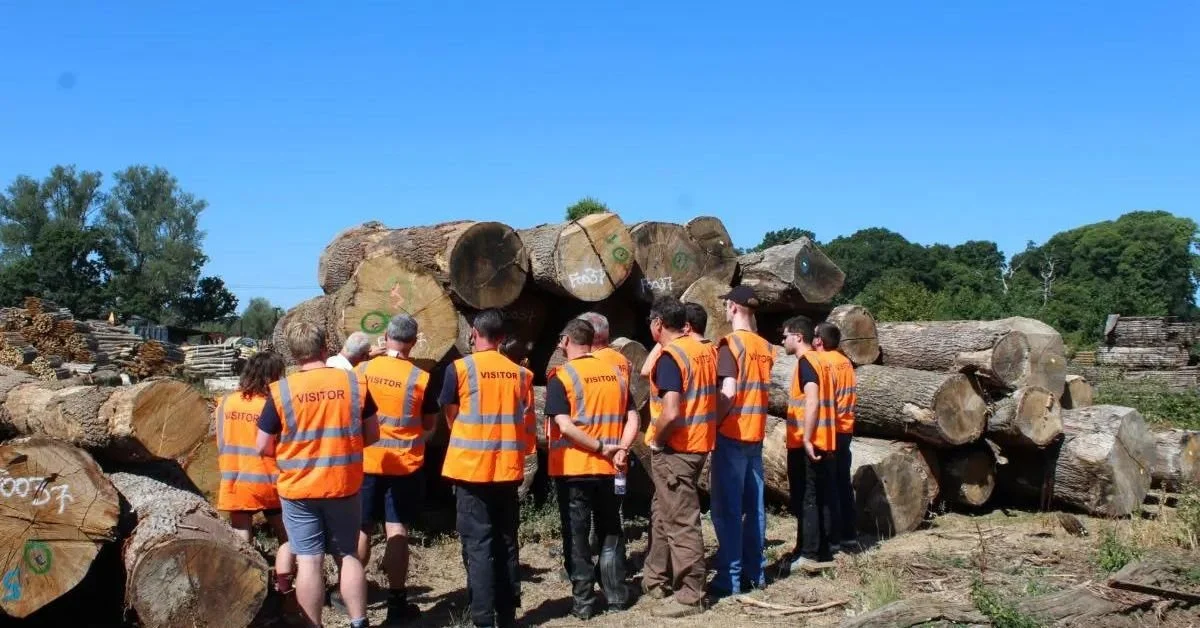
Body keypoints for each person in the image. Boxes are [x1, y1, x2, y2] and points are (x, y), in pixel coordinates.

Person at [255, 322, 379, 628]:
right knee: (347, 555)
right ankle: (359, 621)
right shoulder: (354, 383)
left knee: (309, 560)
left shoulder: (282, 391)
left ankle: (313, 624)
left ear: (294, 354)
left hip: (298, 489)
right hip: (343, 484)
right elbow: (373, 434)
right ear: (325, 348)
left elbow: (262, 445)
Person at [439, 309, 537, 628]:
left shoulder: (459, 369)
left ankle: (482, 618)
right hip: (507, 471)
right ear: (502, 339)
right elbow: (526, 421)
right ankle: (507, 614)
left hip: (471, 472)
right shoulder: (521, 375)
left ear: (474, 334)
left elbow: (451, 415)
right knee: (506, 541)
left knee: (478, 545)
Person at [545, 319, 640, 619]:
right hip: (611, 468)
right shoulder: (615, 375)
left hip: (575, 468)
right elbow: (633, 417)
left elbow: (564, 426)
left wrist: (600, 447)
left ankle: (584, 603)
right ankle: (616, 596)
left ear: (566, 341)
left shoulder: (562, 376)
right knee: (611, 529)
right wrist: (621, 448)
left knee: (577, 535)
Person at [354, 314, 439, 622]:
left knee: (361, 528)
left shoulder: (362, 371)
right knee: (397, 529)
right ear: (413, 342)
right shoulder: (421, 379)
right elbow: (429, 425)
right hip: (404, 466)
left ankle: (350, 595)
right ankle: (397, 602)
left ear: (386, 337)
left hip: (365, 462)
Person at [642, 295, 718, 618]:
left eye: (650, 322)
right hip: (698, 444)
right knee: (663, 511)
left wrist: (657, 440)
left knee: (681, 520)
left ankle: (690, 594)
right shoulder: (703, 349)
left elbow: (671, 411)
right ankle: (655, 579)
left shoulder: (671, 357)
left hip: (676, 449)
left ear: (658, 323)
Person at [216, 351, 295, 600]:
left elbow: (220, 440)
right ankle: (285, 587)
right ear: (272, 376)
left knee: (241, 533)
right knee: (288, 535)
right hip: (269, 480)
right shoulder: (273, 405)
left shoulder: (226, 402)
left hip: (235, 478)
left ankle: (243, 586)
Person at [709, 286, 773, 596]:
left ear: (733, 308)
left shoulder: (730, 344)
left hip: (732, 433)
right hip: (755, 434)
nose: (725, 310)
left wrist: (713, 422)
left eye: (726, 306)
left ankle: (729, 580)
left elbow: (729, 392)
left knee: (728, 510)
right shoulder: (765, 346)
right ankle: (755, 573)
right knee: (755, 508)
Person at [781, 315, 839, 573]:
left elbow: (813, 399)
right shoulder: (823, 361)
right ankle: (819, 550)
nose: (782, 341)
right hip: (825, 439)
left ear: (798, 337)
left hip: (809, 443)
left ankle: (809, 555)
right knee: (820, 497)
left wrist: (805, 437)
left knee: (807, 498)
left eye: (785, 336)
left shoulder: (806, 362)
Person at [815, 322, 859, 551]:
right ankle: (849, 535)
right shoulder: (846, 362)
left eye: (815, 336)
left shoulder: (823, 362)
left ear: (820, 340)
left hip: (830, 430)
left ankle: (832, 538)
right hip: (846, 429)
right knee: (843, 482)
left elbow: (825, 401)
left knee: (827, 484)